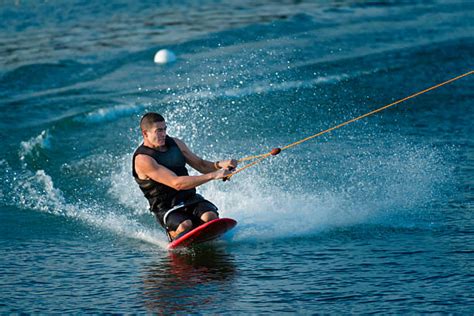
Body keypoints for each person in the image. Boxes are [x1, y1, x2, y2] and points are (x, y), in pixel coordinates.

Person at [132, 112, 237, 241]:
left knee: (210, 217)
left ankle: (199, 232)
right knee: (185, 225)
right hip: (166, 207)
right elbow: (177, 183)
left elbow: (201, 165)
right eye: (158, 131)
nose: (164, 134)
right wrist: (214, 175)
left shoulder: (175, 143)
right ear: (145, 133)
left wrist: (221, 165)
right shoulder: (143, 159)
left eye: (165, 129)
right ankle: (174, 234)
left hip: (189, 199)